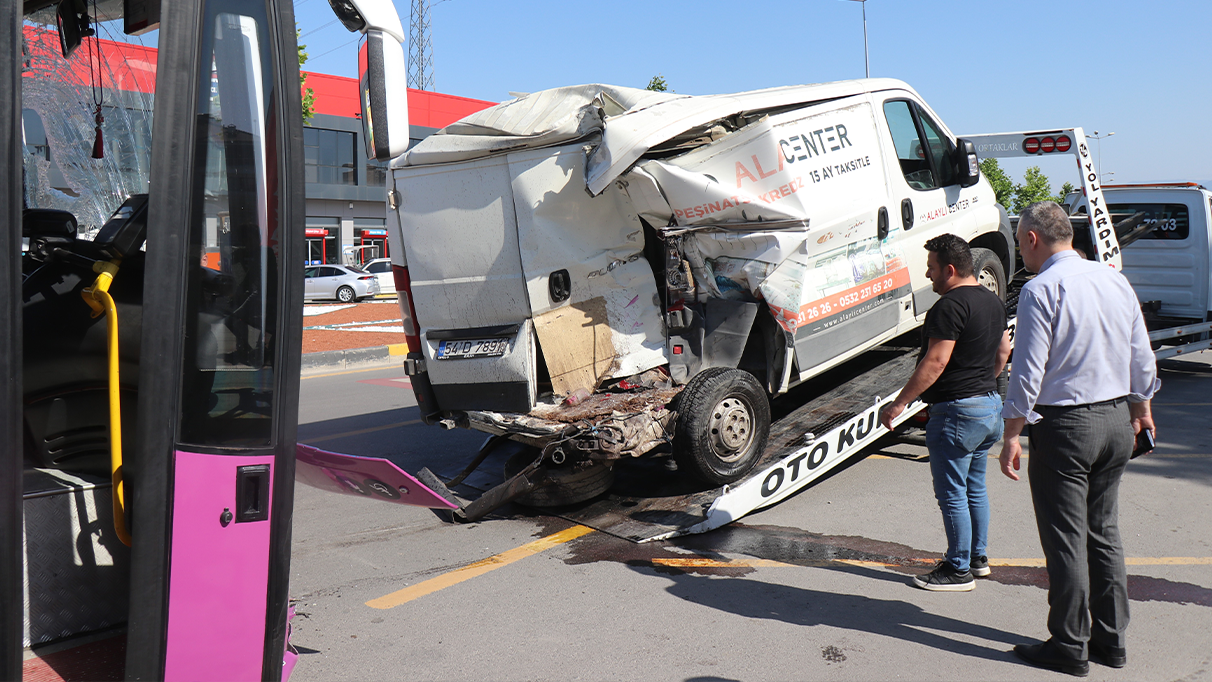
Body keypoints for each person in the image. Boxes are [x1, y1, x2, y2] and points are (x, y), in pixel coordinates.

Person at [1000, 201, 1159, 677]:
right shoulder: (1114, 278)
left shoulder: (1040, 287)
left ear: (1031, 238)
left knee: (1066, 540)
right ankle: (1112, 641)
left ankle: (1069, 644)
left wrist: (1011, 433)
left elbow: (1028, 372)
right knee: (1104, 533)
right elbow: (1141, 354)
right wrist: (1142, 408)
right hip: (1116, 421)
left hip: (1067, 426)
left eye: (1019, 243)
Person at [879, 234, 1011, 592]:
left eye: (932, 268)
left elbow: (936, 361)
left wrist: (900, 402)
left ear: (950, 270)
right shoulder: (993, 302)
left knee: (952, 493)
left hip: (956, 412)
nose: (928, 275)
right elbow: (1003, 352)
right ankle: (976, 559)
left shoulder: (949, 307)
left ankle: (957, 570)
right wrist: (983, 384)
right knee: (975, 488)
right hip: (988, 406)